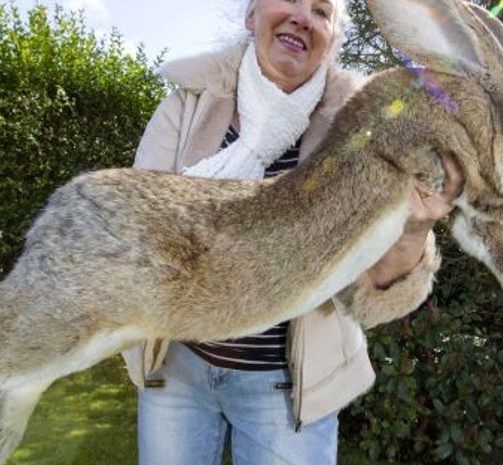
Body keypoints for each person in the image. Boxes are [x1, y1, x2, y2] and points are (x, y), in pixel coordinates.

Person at [121, 0, 464, 463]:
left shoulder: (367, 132)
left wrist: (413, 229)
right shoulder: (189, 101)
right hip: (178, 370)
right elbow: (135, 227)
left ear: (331, 40)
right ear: (250, 15)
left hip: (287, 391)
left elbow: (370, 294)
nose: (303, 16)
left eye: (322, 11)